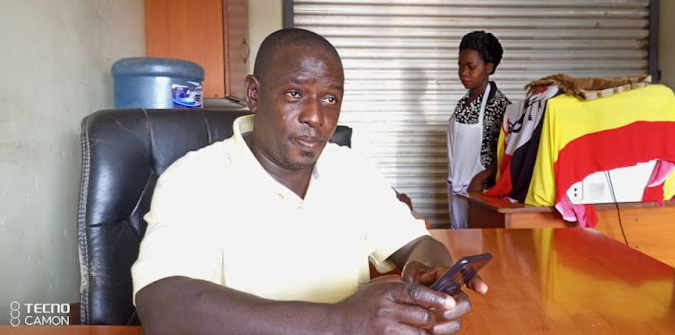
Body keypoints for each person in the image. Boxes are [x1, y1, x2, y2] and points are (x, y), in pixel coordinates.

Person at [132, 28, 488, 334]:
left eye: (330, 99)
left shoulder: (351, 171)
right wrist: (339, 323)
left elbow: (420, 245)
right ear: (254, 94)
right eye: (294, 94)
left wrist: (429, 281)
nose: (316, 117)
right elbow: (162, 304)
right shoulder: (195, 178)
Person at [447, 31, 510, 229]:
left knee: (476, 245)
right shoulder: (464, 102)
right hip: (456, 186)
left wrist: (480, 178)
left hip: (479, 192)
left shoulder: (499, 105)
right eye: (460, 66)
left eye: (471, 67)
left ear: (489, 67)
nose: (463, 72)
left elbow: (508, 153)